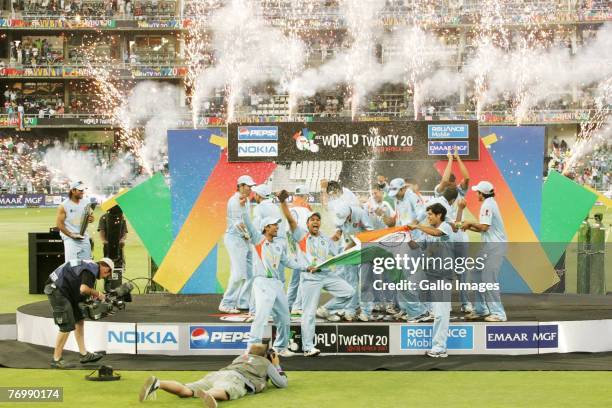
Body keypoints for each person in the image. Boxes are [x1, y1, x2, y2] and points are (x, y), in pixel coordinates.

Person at [279, 190, 353, 356]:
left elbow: (338, 253)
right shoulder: (301, 236)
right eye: (312, 219)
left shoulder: (325, 238)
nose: (316, 222)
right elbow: (290, 220)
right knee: (308, 314)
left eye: (318, 220)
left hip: (327, 275)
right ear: (307, 224)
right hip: (311, 278)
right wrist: (283, 202)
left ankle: (326, 310)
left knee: (349, 292)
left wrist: (354, 245)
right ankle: (308, 347)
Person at [240, 199, 307, 356]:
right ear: (265, 228)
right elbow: (248, 224)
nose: (277, 227)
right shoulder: (258, 240)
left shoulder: (278, 244)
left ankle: (281, 347)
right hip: (262, 282)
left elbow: (288, 261)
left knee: (284, 316)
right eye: (274, 225)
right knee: (262, 315)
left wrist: (306, 267)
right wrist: (243, 208)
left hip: (276, 283)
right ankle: (250, 348)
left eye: (277, 224)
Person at [139, 343, 288, 407]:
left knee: (187, 390)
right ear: (266, 355)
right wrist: (276, 365)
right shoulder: (266, 363)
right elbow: (282, 383)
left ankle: (159, 383)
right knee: (227, 390)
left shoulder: (240, 357)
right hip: (236, 379)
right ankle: (210, 394)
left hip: (217, 374)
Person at [44, 258, 114, 368]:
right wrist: (98, 294)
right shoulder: (91, 270)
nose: (105, 277)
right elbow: (84, 289)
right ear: (106, 268)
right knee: (67, 325)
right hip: (56, 289)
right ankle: (56, 359)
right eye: (107, 274)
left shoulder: (90, 266)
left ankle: (84, 354)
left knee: (79, 319)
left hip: (66, 290)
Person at [409, 203, 454, 358]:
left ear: (439, 215)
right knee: (438, 311)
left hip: (443, 276)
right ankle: (423, 314)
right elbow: (416, 246)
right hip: (432, 275)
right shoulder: (428, 232)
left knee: (441, 314)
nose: (428, 217)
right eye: (427, 214)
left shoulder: (446, 227)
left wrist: (417, 226)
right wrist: (406, 236)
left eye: (430, 214)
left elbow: (436, 233)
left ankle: (439, 348)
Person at [462, 181, 507, 322]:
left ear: (482, 193)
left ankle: (499, 314)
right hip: (489, 246)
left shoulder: (487, 204)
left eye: (478, 192)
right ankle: (481, 309)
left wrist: (469, 223)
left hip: (495, 246)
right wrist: (468, 226)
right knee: (476, 272)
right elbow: (483, 228)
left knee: (489, 279)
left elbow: (484, 227)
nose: (476, 194)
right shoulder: (489, 203)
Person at [326, 201, 374, 322]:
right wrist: (334, 236)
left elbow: (370, 233)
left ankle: (366, 312)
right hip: (350, 253)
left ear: (349, 215)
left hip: (364, 251)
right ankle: (350, 310)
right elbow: (339, 230)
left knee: (364, 282)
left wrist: (353, 243)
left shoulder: (361, 214)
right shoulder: (340, 215)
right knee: (350, 282)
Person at [218, 175, 256, 314]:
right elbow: (237, 223)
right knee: (239, 273)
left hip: (244, 239)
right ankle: (227, 303)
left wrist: (248, 237)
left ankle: (243, 301)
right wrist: (249, 235)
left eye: (251, 187)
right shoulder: (234, 201)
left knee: (251, 273)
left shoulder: (245, 201)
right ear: (240, 186)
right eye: (248, 186)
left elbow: (245, 220)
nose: (250, 189)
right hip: (235, 239)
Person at [56, 180, 94, 261]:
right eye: (80, 190)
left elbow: (91, 217)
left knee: (86, 265)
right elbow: (59, 224)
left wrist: (91, 219)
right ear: (73, 190)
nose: (82, 192)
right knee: (72, 265)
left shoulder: (86, 202)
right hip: (70, 239)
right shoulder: (63, 206)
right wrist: (71, 235)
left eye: (83, 190)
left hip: (84, 237)